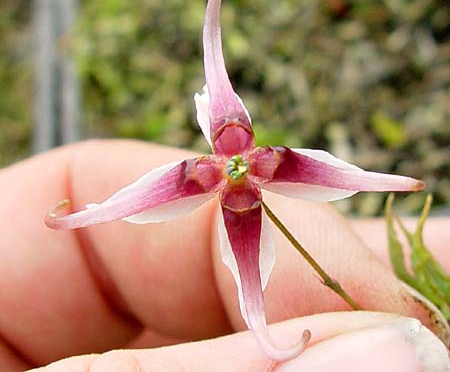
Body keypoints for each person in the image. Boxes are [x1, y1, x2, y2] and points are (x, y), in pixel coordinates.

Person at [0, 139, 448, 371]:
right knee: (257, 300)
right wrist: (87, 216)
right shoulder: (216, 181)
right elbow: (130, 203)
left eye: (241, 164)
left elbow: (334, 174)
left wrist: (385, 181)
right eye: (234, 164)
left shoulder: (253, 169)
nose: (237, 168)